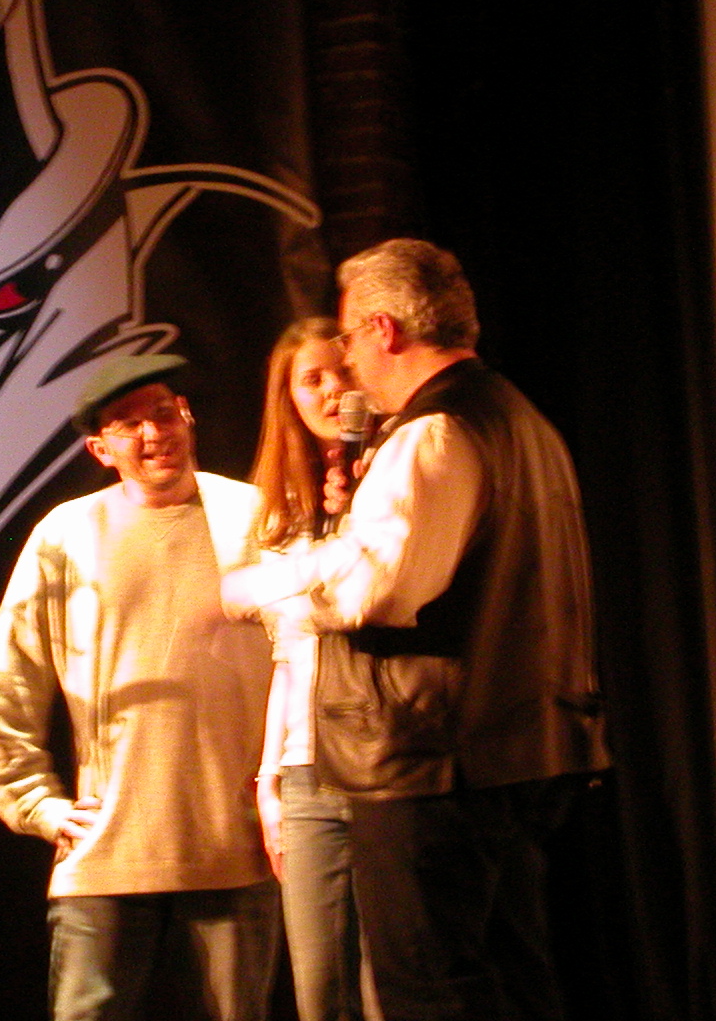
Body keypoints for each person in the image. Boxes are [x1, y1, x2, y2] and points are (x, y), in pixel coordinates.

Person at [223, 239, 610, 1021]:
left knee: (426, 987)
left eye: (348, 338)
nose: (347, 361)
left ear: (384, 329)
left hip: (433, 761)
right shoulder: (521, 420)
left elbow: (376, 592)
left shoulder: (431, 433)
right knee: (511, 980)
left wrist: (262, 588)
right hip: (517, 750)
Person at [0, 353, 280, 1021]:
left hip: (235, 845)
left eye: (163, 413)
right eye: (128, 423)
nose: (153, 433)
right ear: (100, 448)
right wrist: (34, 801)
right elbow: (10, 677)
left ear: (187, 416)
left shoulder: (250, 516)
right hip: (108, 849)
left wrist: (285, 786)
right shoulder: (67, 535)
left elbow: (305, 653)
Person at [247, 318, 383, 1021]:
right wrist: (268, 781)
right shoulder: (280, 519)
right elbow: (286, 657)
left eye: (342, 372)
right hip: (304, 774)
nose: (332, 391)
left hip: (383, 762)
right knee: (319, 992)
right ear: (289, 398)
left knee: (388, 987)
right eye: (313, 379)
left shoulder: (389, 477)